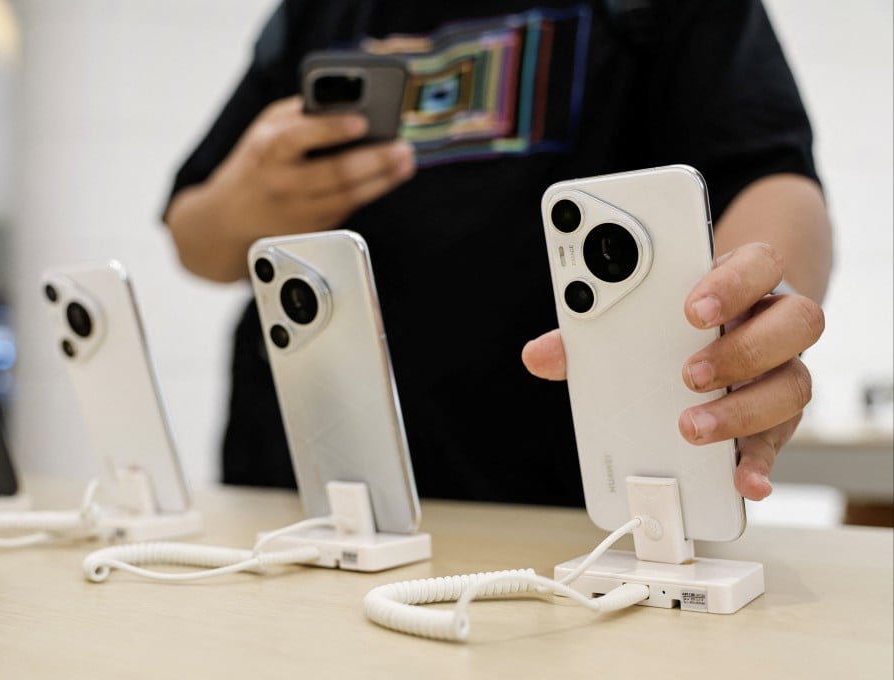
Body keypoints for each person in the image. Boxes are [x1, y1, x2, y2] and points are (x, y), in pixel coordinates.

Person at [163, 0, 830, 506]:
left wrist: (743, 322)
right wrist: (244, 205)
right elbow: (197, 239)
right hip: (301, 483)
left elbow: (772, 176)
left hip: (579, 502)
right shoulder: (320, 10)